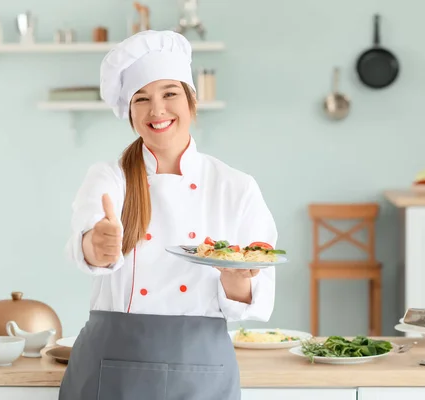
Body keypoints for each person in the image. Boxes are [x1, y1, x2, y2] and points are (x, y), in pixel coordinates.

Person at [59, 29, 278, 400]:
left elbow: (249, 300)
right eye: (141, 99)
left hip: (201, 369)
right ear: (130, 114)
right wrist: (99, 243)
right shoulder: (109, 177)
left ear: (192, 102)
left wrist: (235, 275)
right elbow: (88, 242)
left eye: (170, 94)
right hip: (111, 368)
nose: (157, 110)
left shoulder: (236, 187)